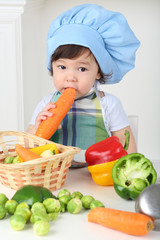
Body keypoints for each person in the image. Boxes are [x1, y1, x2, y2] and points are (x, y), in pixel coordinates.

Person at [26, 4, 140, 158]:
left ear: (99, 72)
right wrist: (36, 131)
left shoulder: (109, 104)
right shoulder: (47, 104)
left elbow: (126, 144)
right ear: (52, 67)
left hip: (96, 175)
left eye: (82, 69)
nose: (70, 77)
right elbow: (27, 149)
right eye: (62, 67)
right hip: (57, 175)